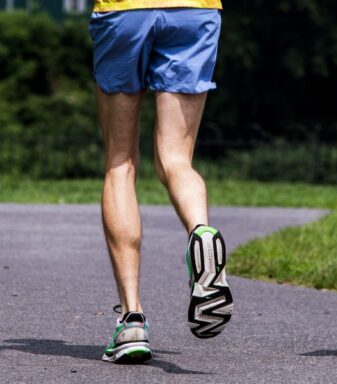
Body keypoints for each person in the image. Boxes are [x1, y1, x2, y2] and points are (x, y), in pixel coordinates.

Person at [90, 0, 233, 363]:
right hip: (194, 10)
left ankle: (131, 320)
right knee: (177, 159)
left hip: (124, 12)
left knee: (120, 162)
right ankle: (201, 232)